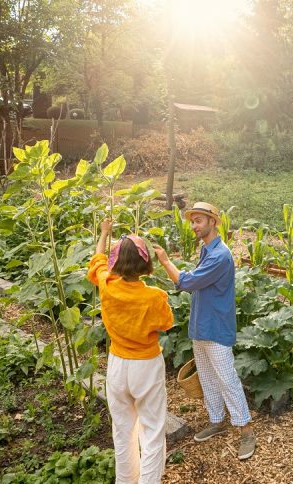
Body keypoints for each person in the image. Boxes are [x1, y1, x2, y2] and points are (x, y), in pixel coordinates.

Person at [153, 202, 256, 461]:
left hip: (216, 328)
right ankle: (217, 421)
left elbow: (186, 282)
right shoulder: (207, 250)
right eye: (193, 221)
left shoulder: (220, 255)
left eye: (199, 220)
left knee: (227, 379)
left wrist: (165, 260)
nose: (194, 226)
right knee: (208, 378)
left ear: (213, 221)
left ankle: (246, 431)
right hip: (201, 325)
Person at [87, 219, 174, 484]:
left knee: (123, 431)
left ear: (116, 263)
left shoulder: (107, 285)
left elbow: (97, 260)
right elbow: (166, 323)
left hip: (117, 365)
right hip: (145, 366)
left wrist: (103, 232)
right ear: (145, 265)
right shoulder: (155, 296)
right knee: (152, 430)